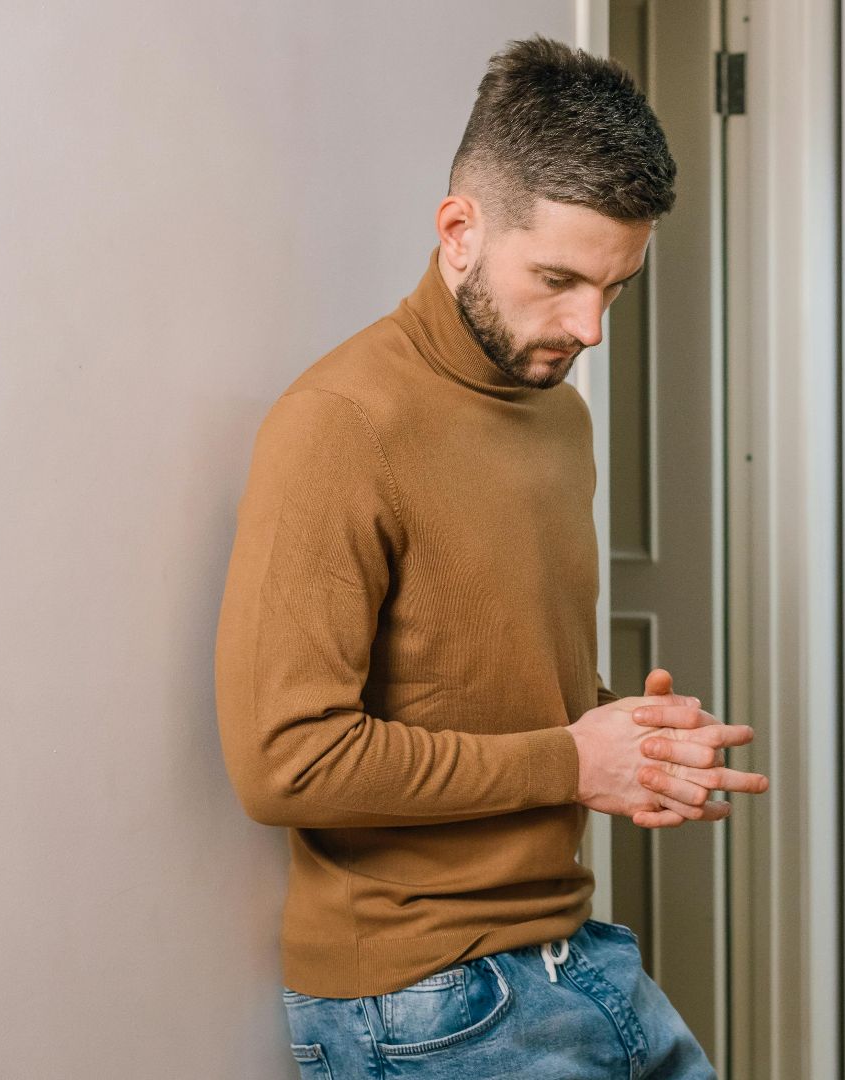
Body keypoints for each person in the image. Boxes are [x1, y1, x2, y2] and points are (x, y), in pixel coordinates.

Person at [214, 37, 766, 1079]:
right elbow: (284, 759)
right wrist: (572, 759)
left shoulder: (557, 418)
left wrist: (626, 738)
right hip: (426, 1005)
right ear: (460, 231)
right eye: (558, 279)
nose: (590, 328)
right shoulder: (340, 426)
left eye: (615, 286)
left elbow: (497, 687)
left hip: (581, 961)